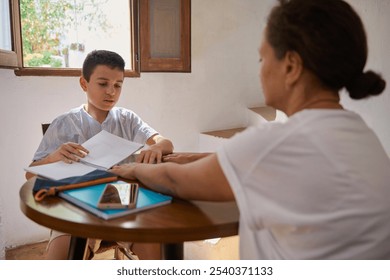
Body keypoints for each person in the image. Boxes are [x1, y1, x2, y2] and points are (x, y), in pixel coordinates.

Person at [110, 0, 390, 259]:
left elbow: (175, 182)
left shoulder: (278, 142)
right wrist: (189, 158)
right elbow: (248, 164)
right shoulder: (363, 137)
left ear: (291, 66)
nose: (260, 71)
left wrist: (132, 168)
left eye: (262, 59)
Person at [26, 49, 174, 260]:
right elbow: (30, 175)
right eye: (103, 84)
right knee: (60, 258)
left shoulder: (127, 119)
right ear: (84, 84)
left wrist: (156, 147)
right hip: (75, 203)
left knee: (157, 250)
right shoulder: (64, 123)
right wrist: (55, 157)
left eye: (118, 85)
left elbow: (165, 142)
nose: (111, 92)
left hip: (123, 201)